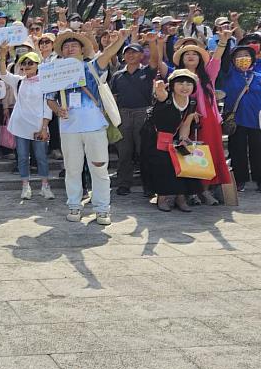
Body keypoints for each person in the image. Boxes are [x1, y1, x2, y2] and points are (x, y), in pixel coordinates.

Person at [46, 27, 131, 225]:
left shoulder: (92, 67)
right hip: (69, 128)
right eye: (66, 46)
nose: (70, 49)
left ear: (83, 49)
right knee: (73, 169)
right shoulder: (55, 72)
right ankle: (74, 205)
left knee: (99, 168)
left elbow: (109, 53)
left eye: (74, 45)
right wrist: (58, 110)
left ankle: (102, 209)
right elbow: (49, 98)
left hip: (94, 127)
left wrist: (121, 39)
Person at [169, 31, 232, 204]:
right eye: (187, 54)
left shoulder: (207, 75)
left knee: (209, 155)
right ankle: (191, 192)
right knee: (189, 154)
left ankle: (204, 191)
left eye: (194, 54)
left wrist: (223, 41)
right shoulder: (176, 77)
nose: (190, 56)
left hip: (208, 121)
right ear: (181, 59)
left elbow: (217, 59)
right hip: (186, 122)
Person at [0, 45, 54, 200]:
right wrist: (3, 56)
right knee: (22, 157)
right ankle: (25, 186)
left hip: (38, 126)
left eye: (31, 63)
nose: (27, 66)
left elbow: (47, 106)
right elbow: (3, 74)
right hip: (21, 125)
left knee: (41, 157)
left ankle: (45, 186)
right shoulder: (19, 81)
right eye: (25, 63)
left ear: (37, 65)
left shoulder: (45, 82)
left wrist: (44, 127)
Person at [144, 71, 201, 212]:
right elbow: (160, 93)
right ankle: (161, 198)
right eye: (180, 83)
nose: (184, 87)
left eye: (189, 83)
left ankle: (180, 199)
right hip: (156, 138)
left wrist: (183, 140)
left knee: (183, 163)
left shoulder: (192, 102)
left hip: (175, 138)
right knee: (162, 167)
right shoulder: (166, 97)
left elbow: (186, 124)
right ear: (173, 85)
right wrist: (159, 88)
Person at [110, 37, 160, 196]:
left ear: (141, 55)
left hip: (143, 113)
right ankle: (124, 183)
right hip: (123, 114)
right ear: (123, 56)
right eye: (127, 53)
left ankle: (149, 186)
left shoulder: (147, 71)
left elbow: (155, 59)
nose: (131, 55)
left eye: (135, 52)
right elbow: (114, 97)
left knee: (144, 151)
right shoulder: (117, 75)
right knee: (124, 152)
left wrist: (152, 42)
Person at [223, 45, 261, 191]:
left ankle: (259, 179)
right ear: (233, 60)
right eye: (239, 55)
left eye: (246, 55)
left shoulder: (258, 75)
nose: (243, 58)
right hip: (235, 120)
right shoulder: (228, 74)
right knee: (237, 149)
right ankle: (240, 179)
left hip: (256, 120)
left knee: (258, 150)